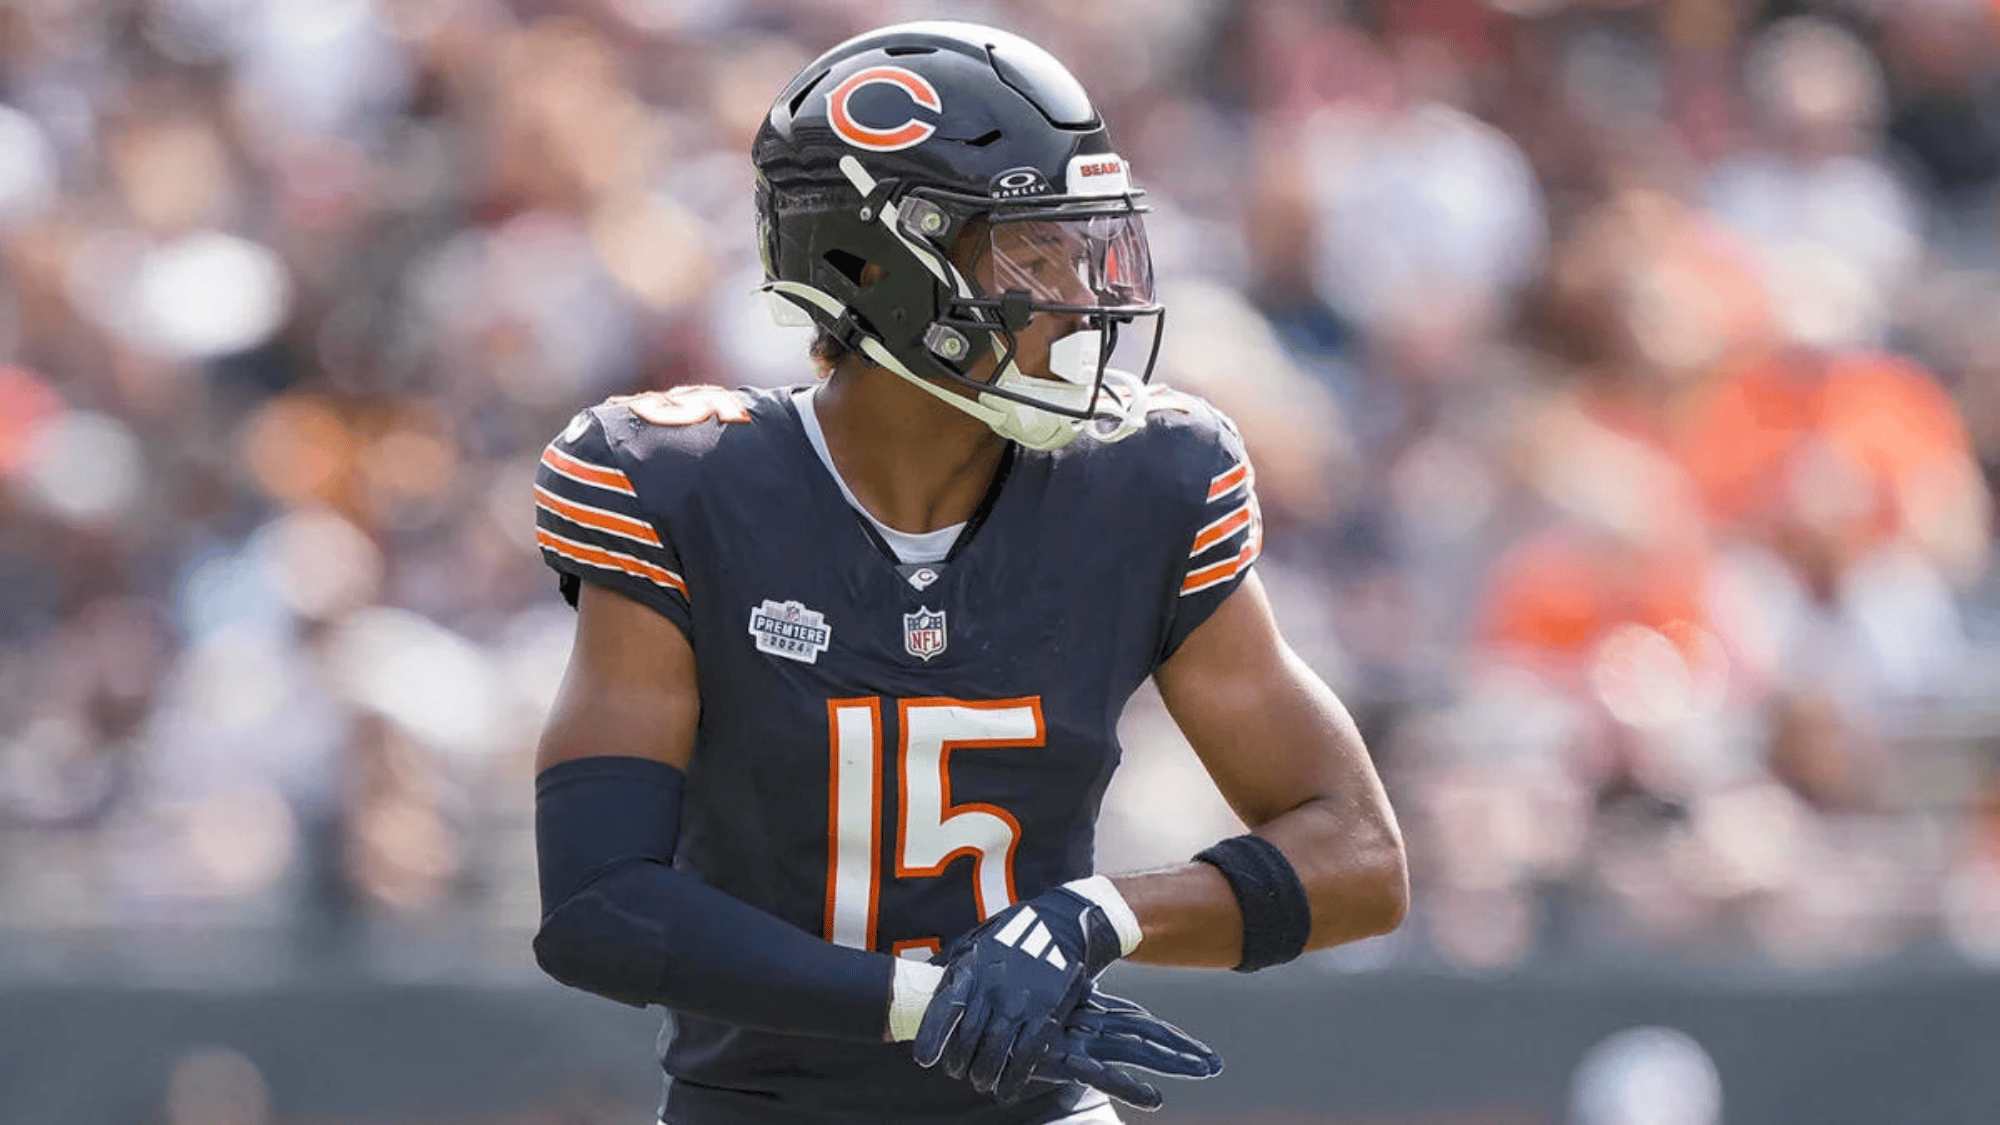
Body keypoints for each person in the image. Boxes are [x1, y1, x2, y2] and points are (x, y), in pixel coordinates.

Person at [529, 20, 1408, 1125]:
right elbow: (599, 907)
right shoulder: (681, 485)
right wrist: (923, 998)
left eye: (1083, 246)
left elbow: (1359, 855)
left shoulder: (1144, 482)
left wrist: (1095, 916)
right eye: (1033, 252)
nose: (1079, 294)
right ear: (878, 267)